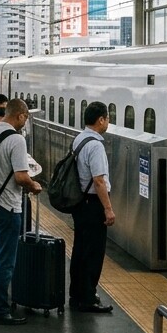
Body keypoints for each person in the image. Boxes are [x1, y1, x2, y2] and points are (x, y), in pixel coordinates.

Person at [0, 99, 41, 325]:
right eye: (26, 118)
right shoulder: (16, 139)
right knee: (4, 261)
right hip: (7, 206)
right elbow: (21, 176)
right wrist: (35, 186)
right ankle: (0, 310)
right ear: (21, 115)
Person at [68, 101, 115, 314]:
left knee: (80, 250)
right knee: (93, 253)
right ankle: (87, 298)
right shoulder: (95, 145)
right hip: (92, 204)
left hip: (80, 203)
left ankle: (76, 294)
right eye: (107, 118)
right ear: (101, 120)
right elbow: (99, 181)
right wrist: (108, 209)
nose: (108, 123)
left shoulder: (79, 138)